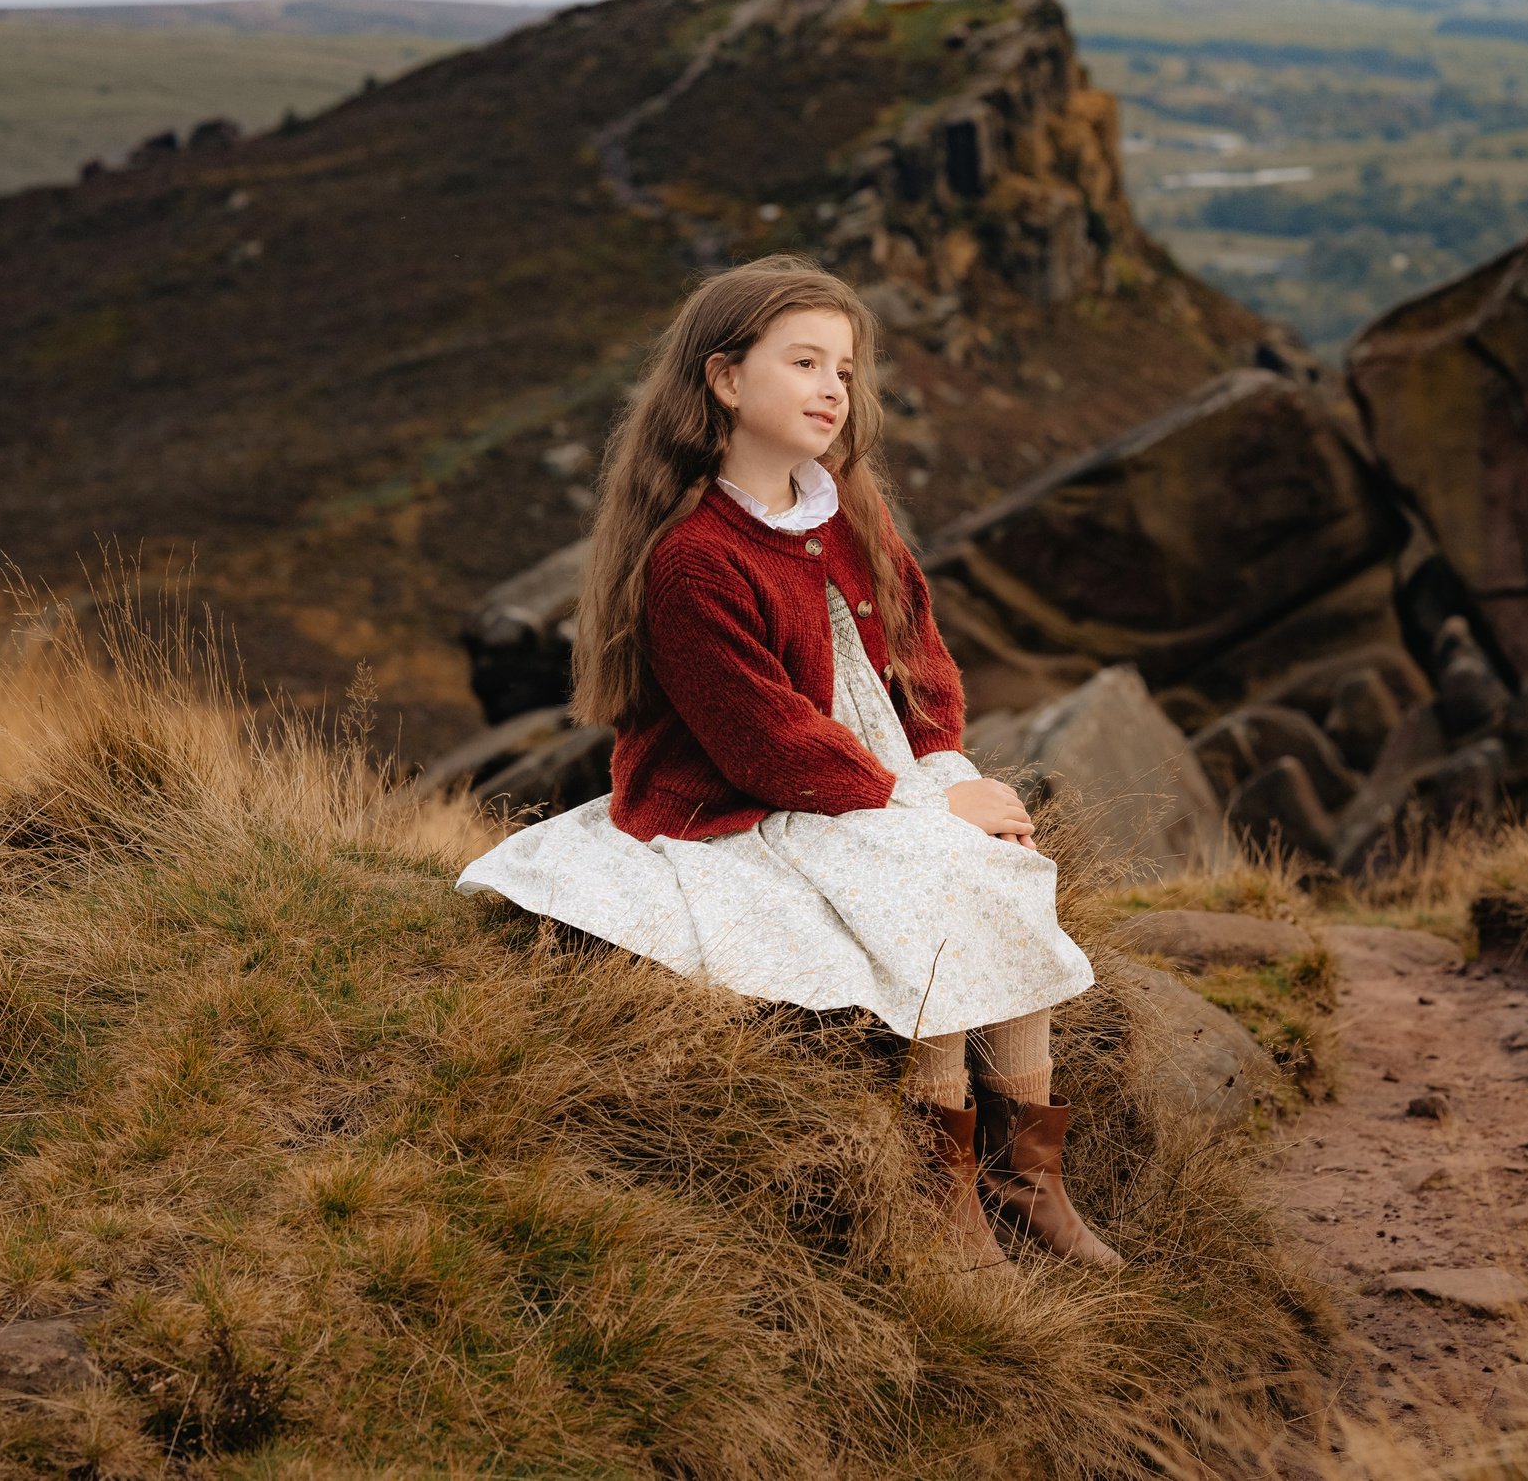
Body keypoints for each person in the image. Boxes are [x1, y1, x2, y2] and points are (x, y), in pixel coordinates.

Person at [456, 254, 1118, 1273]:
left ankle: (1031, 1175)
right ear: (724, 379)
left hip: (876, 772)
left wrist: (946, 767)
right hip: (745, 800)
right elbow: (765, 743)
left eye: (844, 370)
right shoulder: (691, 559)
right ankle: (945, 1198)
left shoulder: (848, 507)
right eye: (803, 362)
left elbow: (918, 656)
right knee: (934, 879)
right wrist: (918, 807)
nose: (831, 389)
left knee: (1006, 856)